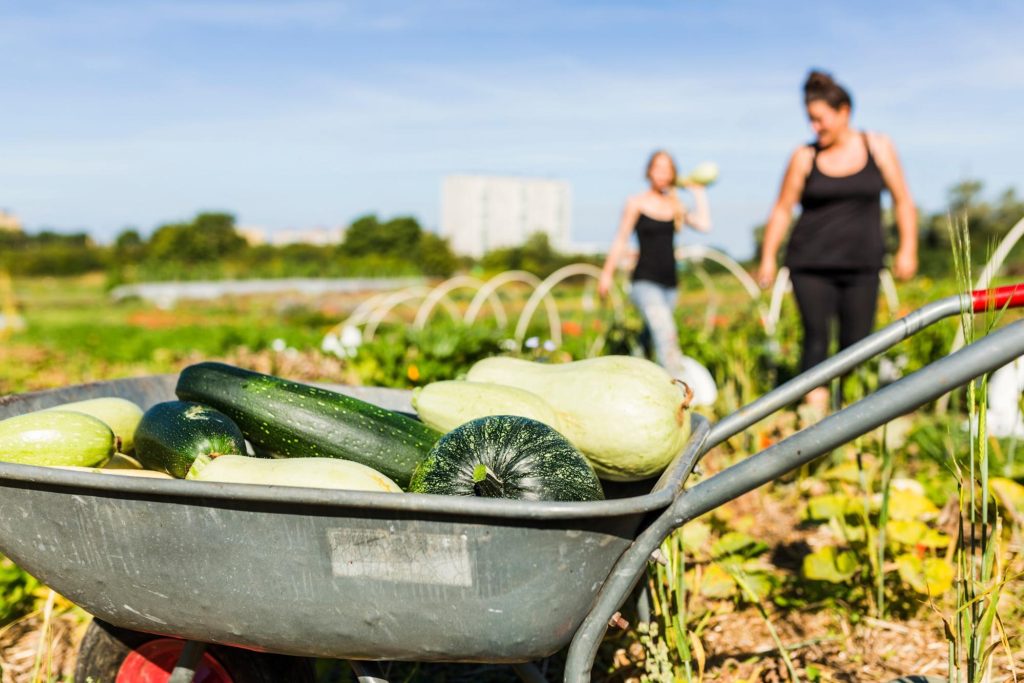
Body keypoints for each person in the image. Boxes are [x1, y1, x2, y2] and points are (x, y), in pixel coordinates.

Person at [757, 70, 918, 413]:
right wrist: (768, 256)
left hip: (863, 263)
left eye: (820, 119)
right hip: (810, 264)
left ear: (844, 111)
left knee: (857, 343)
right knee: (816, 338)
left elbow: (903, 199)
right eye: (810, 121)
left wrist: (908, 248)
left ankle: (849, 415)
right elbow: (783, 208)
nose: (815, 127)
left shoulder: (878, 146)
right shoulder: (804, 156)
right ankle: (814, 422)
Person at [598, 149, 711, 380]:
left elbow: (705, 225)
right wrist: (606, 274)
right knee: (666, 335)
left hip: (670, 285)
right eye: (658, 168)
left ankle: (631, 378)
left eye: (667, 169)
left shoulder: (676, 206)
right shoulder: (636, 203)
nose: (662, 173)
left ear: (673, 174)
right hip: (644, 282)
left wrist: (698, 193)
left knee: (649, 340)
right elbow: (621, 238)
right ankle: (679, 393)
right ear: (649, 171)